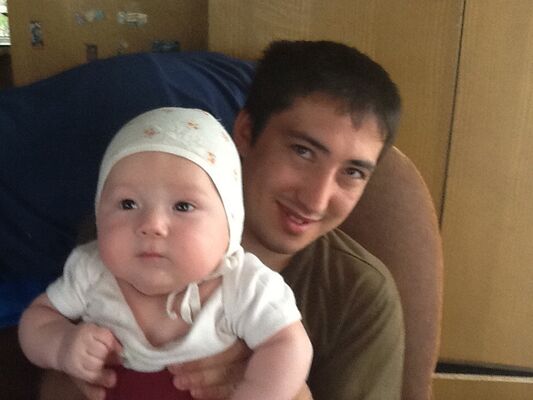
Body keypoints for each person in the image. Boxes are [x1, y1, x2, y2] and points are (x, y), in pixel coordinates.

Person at [38, 40, 405, 400]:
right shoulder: (125, 230)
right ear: (245, 132)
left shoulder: (359, 294)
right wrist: (92, 367)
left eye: (353, 172)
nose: (316, 199)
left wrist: (283, 386)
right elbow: (53, 381)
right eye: (303, 151)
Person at [18, 107, 313, 400]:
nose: (152, 225)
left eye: (183, 206)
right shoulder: (91, 271)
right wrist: (62, 345)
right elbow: (38, 318)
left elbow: (290, 346)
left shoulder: (242, 285)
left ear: (230, 227)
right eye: (128, 204)